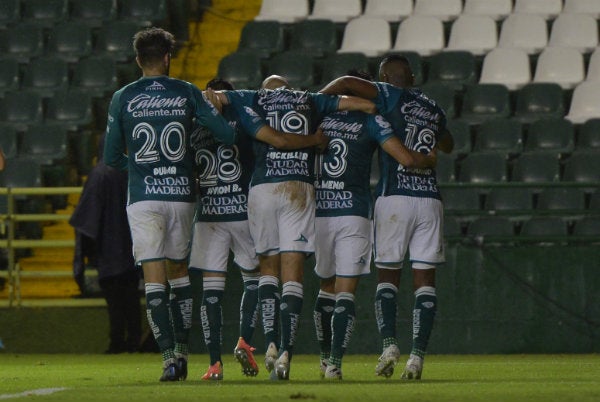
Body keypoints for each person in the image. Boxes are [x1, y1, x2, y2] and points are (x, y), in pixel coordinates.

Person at [207, 75, 376, 380]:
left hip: (263, 189)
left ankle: (270, 343)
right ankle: (286, 353)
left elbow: (213, 95)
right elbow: (358, 103)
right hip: (299, 187)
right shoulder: (310, 99)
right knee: (293, 274)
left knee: (267, 271)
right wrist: (372, 110)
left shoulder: (253, 98)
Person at [103, 27, 236, 382]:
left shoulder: (123, 97)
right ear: (167, 58)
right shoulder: (188, 92)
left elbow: (110, 157)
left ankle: (168, 360)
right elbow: (224, 134)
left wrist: (142, 168)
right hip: (181, 195)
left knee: (154, 279)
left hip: (144, 196)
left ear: (137, 60)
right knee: (179, 274)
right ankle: (182, 351)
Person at [320, 54, 454, 380]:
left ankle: (390, 344)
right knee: (424, 281)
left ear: (383, 77)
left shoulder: (386, 95)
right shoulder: (432, 105)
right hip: (429, 200)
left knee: (388, 277)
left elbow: (347, 83)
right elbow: (447, 143)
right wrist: (427, 146)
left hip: (395, 197)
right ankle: (417, 358)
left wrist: (320, 101)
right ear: (412, 75)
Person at [188, 78, 261, 381]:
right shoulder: (243, 119)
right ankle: (245, 340)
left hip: (209, 215)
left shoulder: (195, 124)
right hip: (243, 211)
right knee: (254, 281)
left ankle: (214, 364)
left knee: (211, 293)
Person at [70, 135, 142, 355]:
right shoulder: (132, 170)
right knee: (132, 298)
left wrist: (87, 252)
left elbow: (87, 216)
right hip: (133, 246)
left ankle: (117, 342)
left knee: (114, 301)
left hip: (108, 249)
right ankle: (135, 341)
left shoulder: (98, 174)